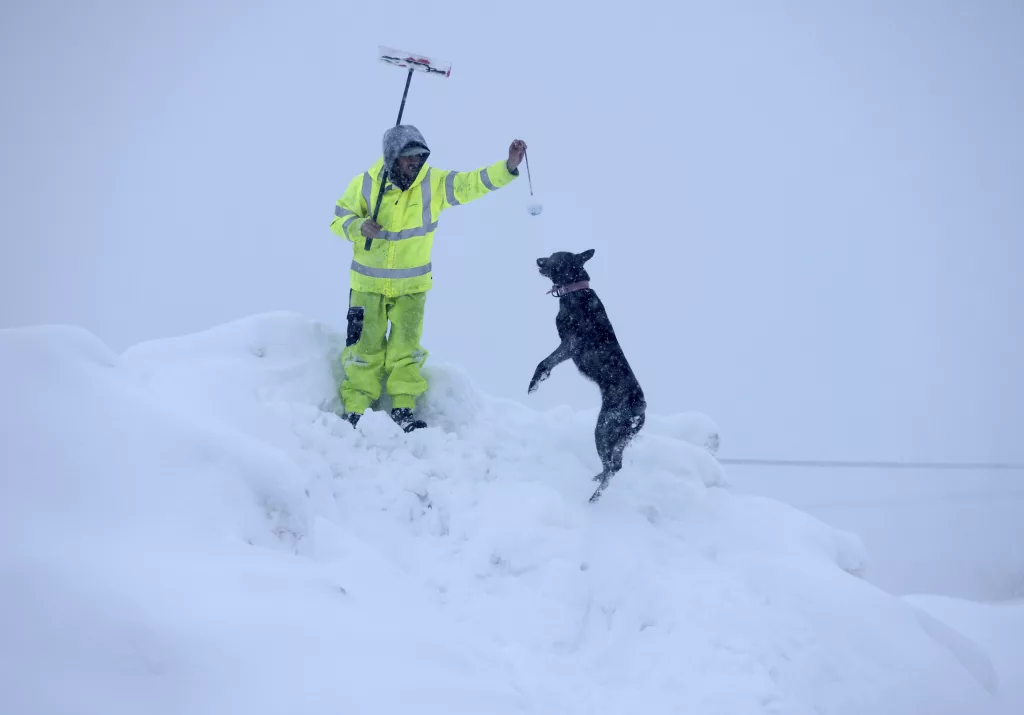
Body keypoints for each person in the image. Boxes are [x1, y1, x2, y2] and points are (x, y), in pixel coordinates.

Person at [331, 125, 527, 431]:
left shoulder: (433, 183)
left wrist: (508, 167)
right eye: (408, 157)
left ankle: (402, 409)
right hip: (366, 287)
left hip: (412, 288)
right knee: (363, 351)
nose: (415, 163)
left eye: (420, 157)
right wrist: (358, 227)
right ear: (392, 158)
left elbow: (471, 184)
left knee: (405, 352)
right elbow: (338, 218)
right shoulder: (366, 183)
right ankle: (357, 410)